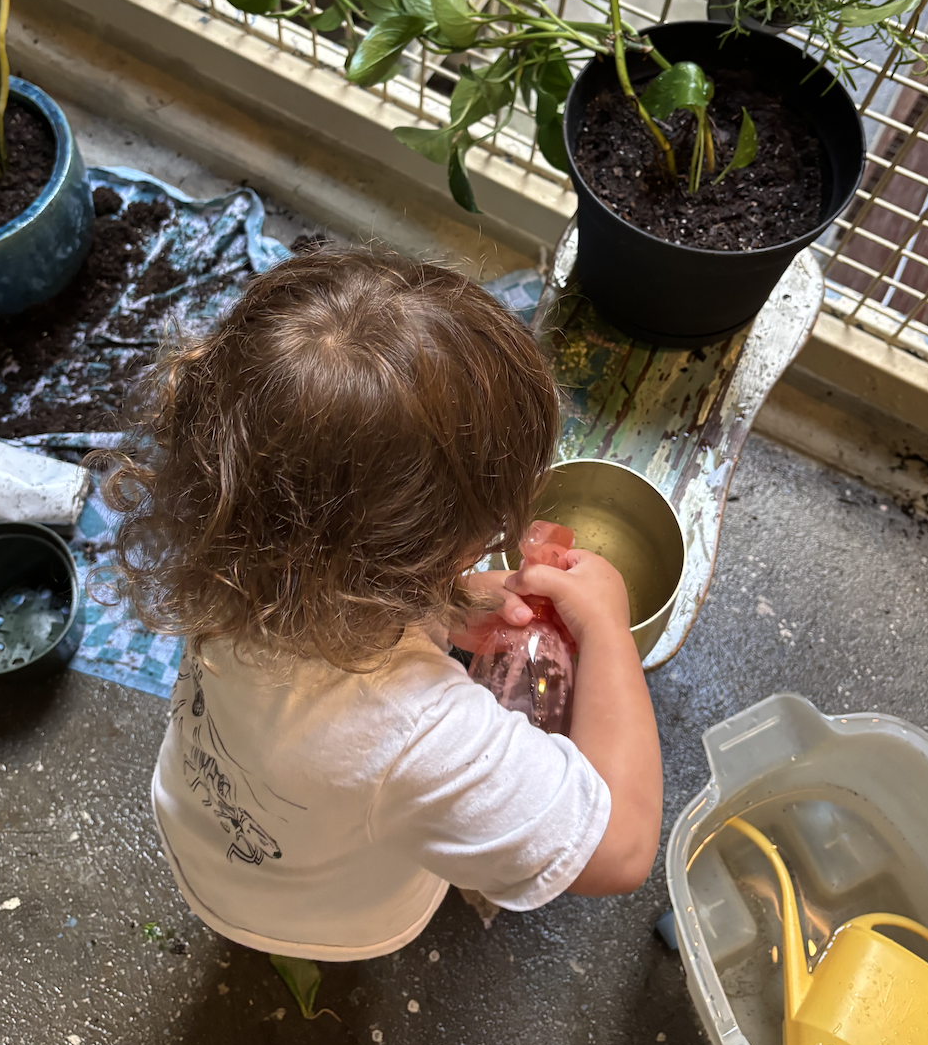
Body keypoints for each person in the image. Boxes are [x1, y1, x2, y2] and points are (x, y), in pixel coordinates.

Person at [101, 249, 663, 961]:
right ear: (405, 562)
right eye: (480, 535)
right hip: (322, 913)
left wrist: (448, 609)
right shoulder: (417, 733)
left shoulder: (226, 545)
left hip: (201, 828)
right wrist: (609, 630)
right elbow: (621, 850)